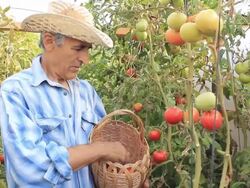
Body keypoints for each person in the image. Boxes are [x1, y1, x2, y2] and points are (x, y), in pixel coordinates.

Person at [0, 1, 131, 187]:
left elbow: (109, 156)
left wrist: (128, 173)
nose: (85, 59)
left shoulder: (87, 93)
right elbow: (30, 171)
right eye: (78, 48)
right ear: (49, 41)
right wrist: (99, 149)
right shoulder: (16, 91)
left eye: (87, 49)